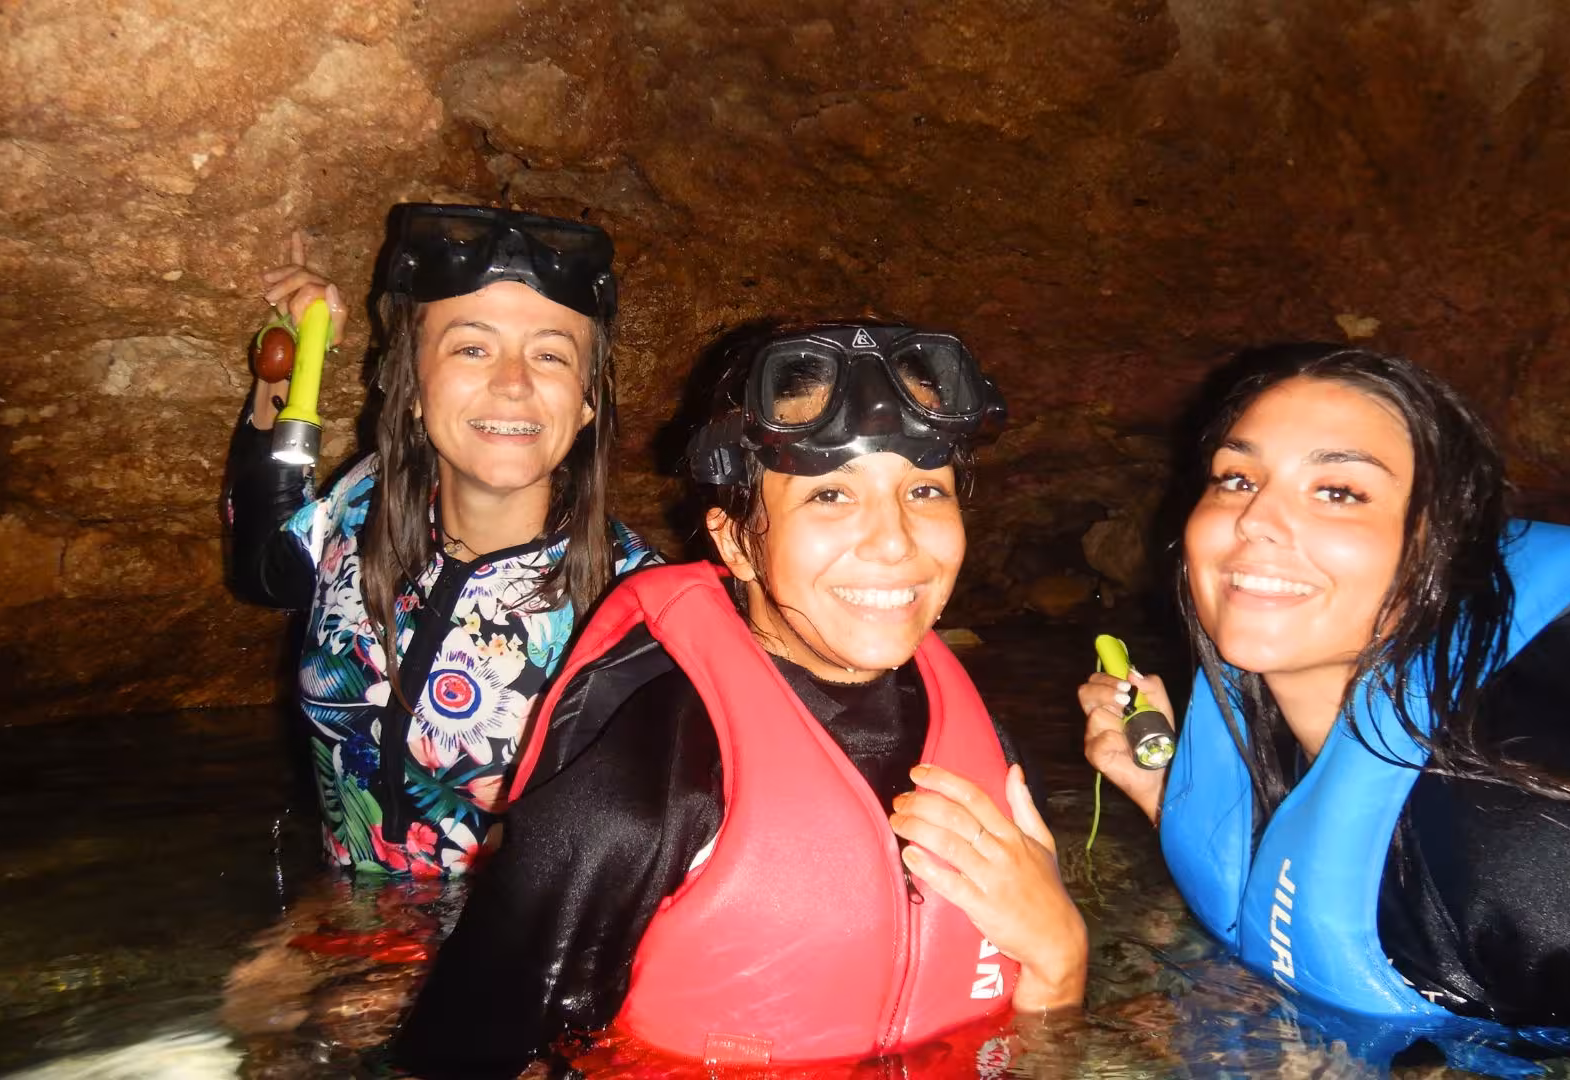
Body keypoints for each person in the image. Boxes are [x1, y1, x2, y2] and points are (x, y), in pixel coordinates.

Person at [1079, 343, 1570, 1073]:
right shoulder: (1270, 727)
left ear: (1433, 554)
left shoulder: (1547, 855)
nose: (1255, 521)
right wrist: (1164, 793)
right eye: (1236, 479)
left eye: (1339, 492)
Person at [390, 321, 1088, 1077]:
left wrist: (1062, 958)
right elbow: (457, 1054)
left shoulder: (995, 757)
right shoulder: (643, 784)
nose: (895, 542)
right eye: (830, 495)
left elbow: (1040, 1045)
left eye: (924, 490)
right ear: (735, 543)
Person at [224, 205, 655, 876]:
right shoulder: (363, 504)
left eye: (549, 354)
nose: (512, 383)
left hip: (494, 965)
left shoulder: (641, 611)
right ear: (414, 385)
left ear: (588, 398)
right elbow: (262, 570)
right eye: (471, 347)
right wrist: (292, 368)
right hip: (344, 926)